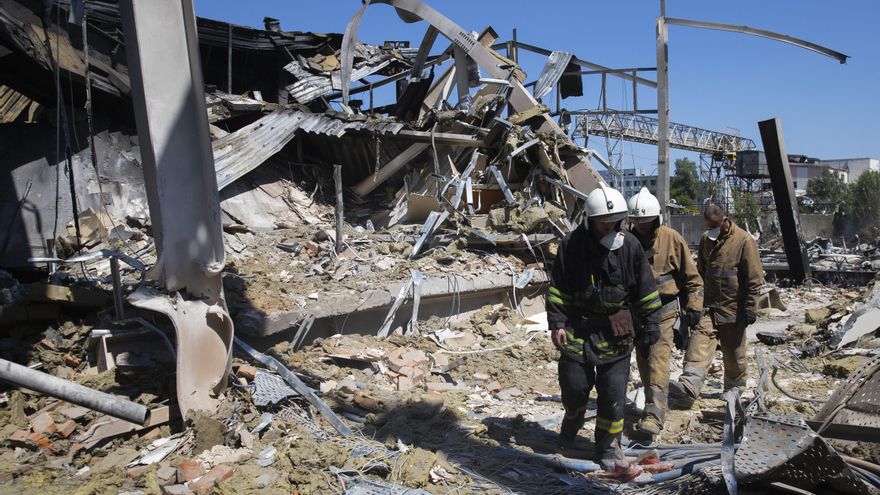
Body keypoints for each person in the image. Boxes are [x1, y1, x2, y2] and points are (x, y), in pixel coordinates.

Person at [547, 183, 661, 468]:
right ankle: (571, 422)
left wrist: (651, 326)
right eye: (603, 222)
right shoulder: (571, 245)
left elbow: (645, 290)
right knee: (574, 386)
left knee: (612, 395)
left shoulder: (631, 247)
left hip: (617, 333)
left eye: (614, 221)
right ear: (590, 220)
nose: (609, 226)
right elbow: (558, 287)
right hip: (578, 329)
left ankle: (608, 447)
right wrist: (557, 323)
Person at [626, 188, 710, 439]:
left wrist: (694, 307)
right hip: (636, 312)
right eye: (637, 222)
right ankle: (654, 402)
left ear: (656, 218)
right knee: (643, 362)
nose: (641, 226)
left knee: (657, 362)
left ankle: (654, 417)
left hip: (664, 311)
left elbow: (693, 279)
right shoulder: (626, 241)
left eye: (646, 221)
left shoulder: (672, 239)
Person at [668, 204, 764, 408]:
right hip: (709, 307)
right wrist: (694, 304)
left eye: (715, 226)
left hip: (733, 308)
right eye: (708, 226)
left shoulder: (744, 240)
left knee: (733, 353)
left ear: (725, 220)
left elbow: (754, 278)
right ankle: (689, 385)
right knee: (698, 344)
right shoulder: (706, 239)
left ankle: (734, 389)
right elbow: (699, 275)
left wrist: (750, 308)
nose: (711, 230)